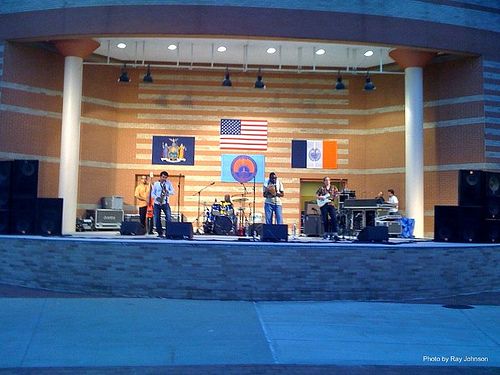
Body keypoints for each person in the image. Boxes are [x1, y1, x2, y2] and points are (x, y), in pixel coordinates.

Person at [151, 171, 175, 237]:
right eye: (163, 177)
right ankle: (160, 233)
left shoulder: (168, 183)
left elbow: (173, 192)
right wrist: (157, 198)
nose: (164, 179)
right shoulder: (156, 184)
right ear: (160, 176)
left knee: (169, 217)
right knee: (157, 218)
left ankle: (168, 232)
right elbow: (152, 194)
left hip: (165, 203)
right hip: (157, 203)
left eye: (165, 178)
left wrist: (168, 192)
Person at [316, 177, 340, 241]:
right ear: (324, 181)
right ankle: (326, 233)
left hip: (331, 204)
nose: (327, 181)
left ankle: (335, 233)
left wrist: (336, 195)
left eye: (328, 180)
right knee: (325, 219)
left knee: (334, 218)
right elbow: (317, 196)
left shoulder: (334, 188)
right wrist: (321, 197)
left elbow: (336, 194)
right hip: (323, 205)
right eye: (326, 180)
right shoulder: (321, 188)